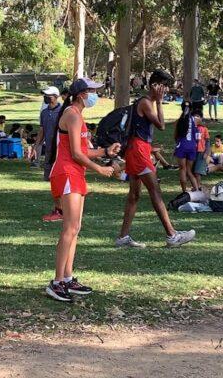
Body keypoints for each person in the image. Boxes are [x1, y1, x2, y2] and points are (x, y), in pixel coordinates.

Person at [45, 77, 119, 302]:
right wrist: (100, 169)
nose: (95, 94)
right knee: (69, 229)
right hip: (67, 173)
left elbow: (84, 150)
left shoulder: (77, 116)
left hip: (75, 174)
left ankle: (67, 277)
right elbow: (77, 154)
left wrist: (106, 152)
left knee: (75, 228)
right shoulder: (72, 115)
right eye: (92, 91)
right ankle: (57, 282)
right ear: (81, 94)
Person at [116, 70, 196, 249]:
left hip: (138, 148)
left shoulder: (147, 102)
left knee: (134, 195)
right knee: (155, 191)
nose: (166, 89)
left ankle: (123, 237)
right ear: (155, 85)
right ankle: (172, 235)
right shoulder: (145, 102)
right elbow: (161, 125)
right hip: (138, 150)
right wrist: (159, 103)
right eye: (164, 85)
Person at [36, 86, 65, 221]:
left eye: (49, 95)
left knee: (61, 181)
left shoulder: (63, 112)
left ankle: (62, 210)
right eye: (45, 95)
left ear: (56, 96)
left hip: (61, 152)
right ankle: (58, 209)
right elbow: (42, 130)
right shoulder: (44, 112)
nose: (46, 98)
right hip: (49, 152)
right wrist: (36, 145)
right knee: (52, 181)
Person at [172, 108, 200, 193]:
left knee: (182, 169)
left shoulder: (179, 121)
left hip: (182, 146)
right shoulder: (196, 120)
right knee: (189, 170)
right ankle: (197, 189)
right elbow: (198, 136)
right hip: (192, 146)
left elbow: (175, 135)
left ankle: (184, 191)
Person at [193, 113, 210, 183]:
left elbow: (208, 141)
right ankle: (195, 186)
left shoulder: (204, 129)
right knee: (192, 171)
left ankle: (198, 186)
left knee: (197, 172)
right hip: (192, 152)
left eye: (198, 117)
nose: (196, 119)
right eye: (194, 117)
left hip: (201, 152)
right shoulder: (191, 129)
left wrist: (206, 152)